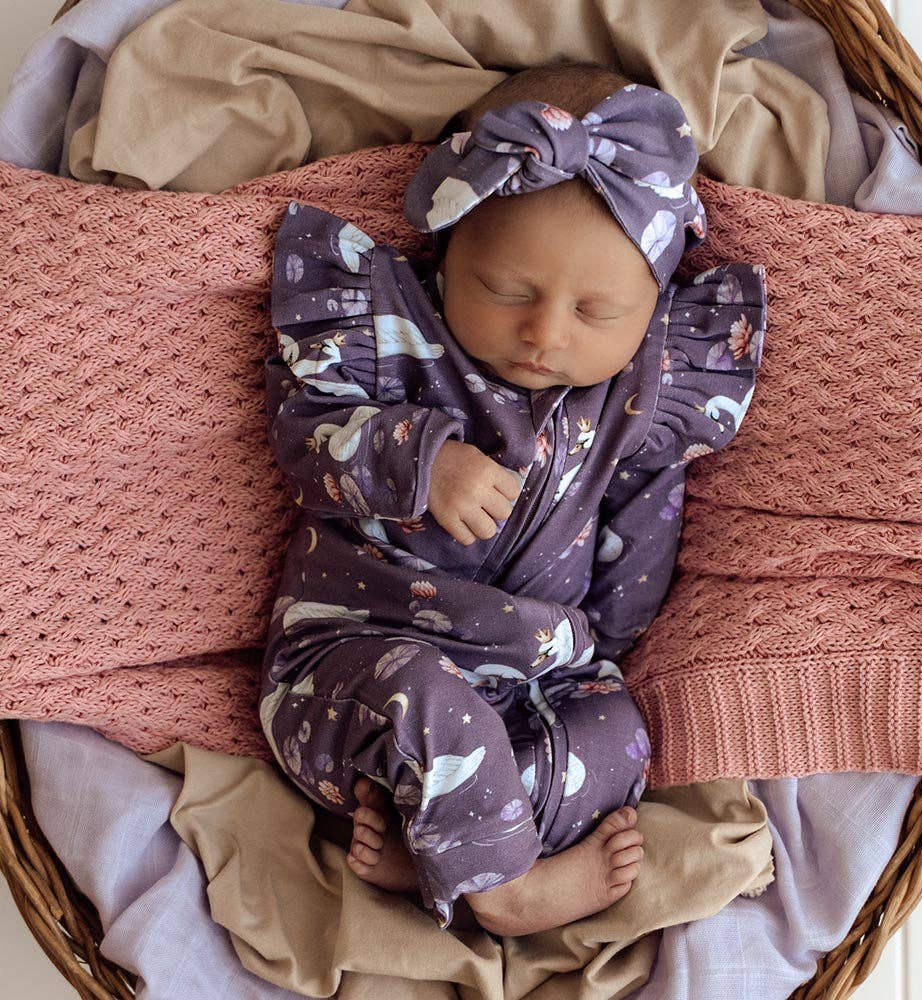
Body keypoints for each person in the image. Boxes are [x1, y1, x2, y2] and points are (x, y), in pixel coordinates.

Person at [258, 62, 766, 937]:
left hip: (538, 675)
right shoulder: (392, 338)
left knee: (616, 736)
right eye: (506, 291)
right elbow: (307, 442)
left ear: (651, 310)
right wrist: (421, 460)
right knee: (425, 698)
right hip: (356, 661)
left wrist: (606, 644)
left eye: (597, 312)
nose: (545, 333)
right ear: (449, 254)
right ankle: (505, 894)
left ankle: (436, 851)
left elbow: (645, 529)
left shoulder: (640, 403)